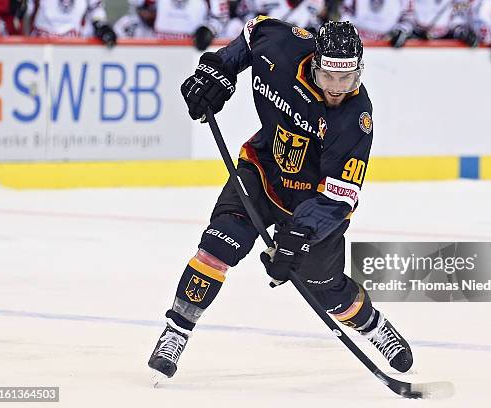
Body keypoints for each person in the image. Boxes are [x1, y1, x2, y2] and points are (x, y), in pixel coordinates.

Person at [147, 18, 414, 382]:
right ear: (314, 63)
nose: (337, 89)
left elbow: (340, 194)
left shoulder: (355, 117)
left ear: (359, 72)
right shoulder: (279, 44)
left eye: (347, 79)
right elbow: (248, 37)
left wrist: (296, 237)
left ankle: (372, 325)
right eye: (328, 77)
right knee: (216, 247)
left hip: (312, 204)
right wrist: (216, 73)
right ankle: (176, 332)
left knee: (326, 290)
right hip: (262, 171)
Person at [26, 0, 116, 47]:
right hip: (39, 46)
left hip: (75, 48)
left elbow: (96, 9)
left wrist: (100, 25)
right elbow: (26, 9)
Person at [154, 0, 229, 50]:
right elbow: (147, 8)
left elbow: (222, 18)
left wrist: (209, 29)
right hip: (157, 45)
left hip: (193, 47)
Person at [340, 0, 415, 48]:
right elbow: (346, 14)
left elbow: (407, 18)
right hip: (357, 43)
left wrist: (401, 30)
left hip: (387, 45)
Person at [412, 0, 479, 47]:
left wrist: (462, 32)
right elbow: (406, 15)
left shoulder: (461, 2)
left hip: (447, 41)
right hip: (416, 39)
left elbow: (458, 19)